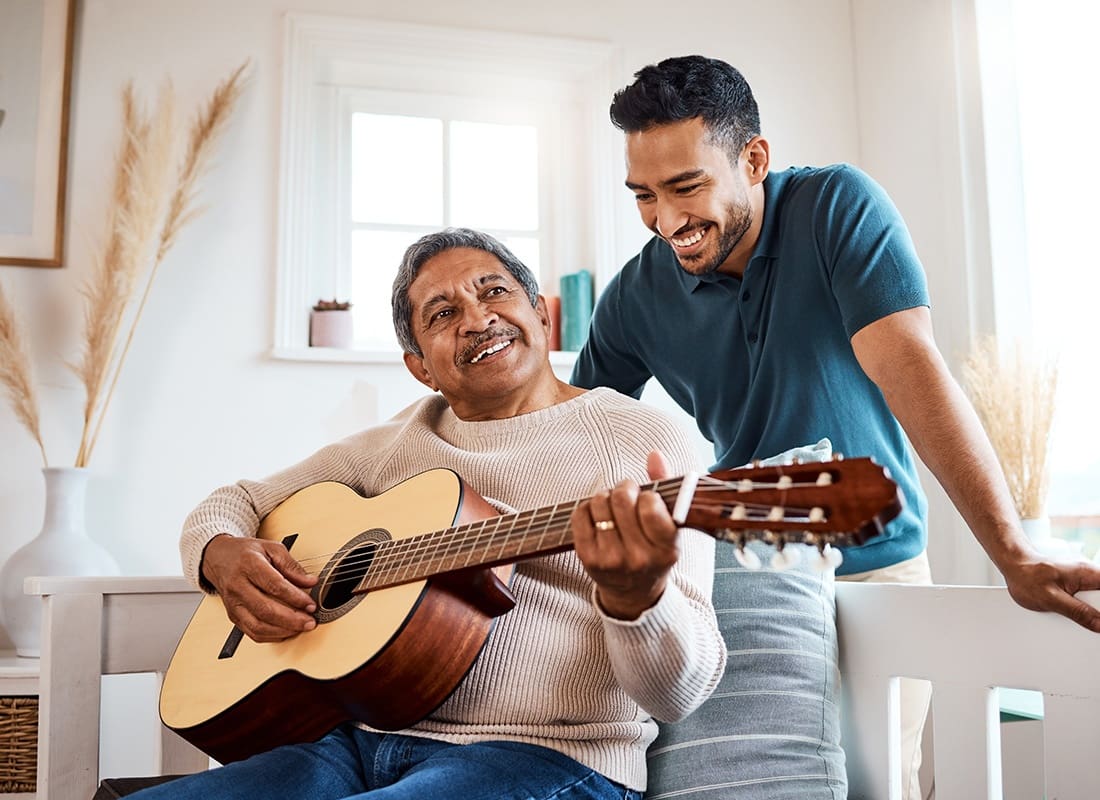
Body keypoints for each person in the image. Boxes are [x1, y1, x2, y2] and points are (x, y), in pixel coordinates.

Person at [571, 54, 1100, 800]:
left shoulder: (835, 207)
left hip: (877, 563)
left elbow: (909, 368)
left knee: (888, 784)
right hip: (748, 581)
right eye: (644, 196)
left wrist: (1011, 550)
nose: (667, 221)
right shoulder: (634, 295)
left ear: (754, 160)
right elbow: (572, 430)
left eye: (686, 187)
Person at [133, 228, 726, 800]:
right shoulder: (397, 442)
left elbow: (680, 694)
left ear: (540, 315)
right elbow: (233, 502)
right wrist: (219, 554)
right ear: (420, 366)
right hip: (353, 745)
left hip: (548, 756)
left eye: (495, 291)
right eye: (443, 314)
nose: (477, 319)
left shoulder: (641, 441)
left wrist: (637, 597)